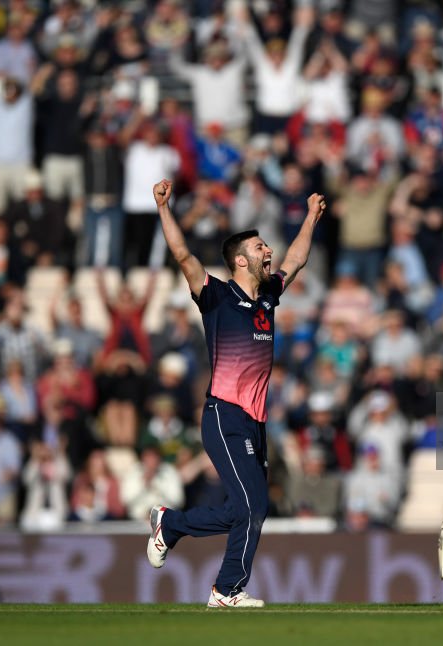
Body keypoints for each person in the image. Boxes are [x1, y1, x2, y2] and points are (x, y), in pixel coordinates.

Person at [144, 178, 325, 609]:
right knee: (253, 507)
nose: (270, 252)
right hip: (224, 414)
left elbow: (297, 260)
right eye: (261, 247)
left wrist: (313, 218)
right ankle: (226, 590)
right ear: (240, 260)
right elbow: (183, 256)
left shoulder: (268, 300)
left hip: (255, 422)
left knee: (242, 508)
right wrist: (164, 208)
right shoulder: (216, 297)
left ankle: (170, 525)